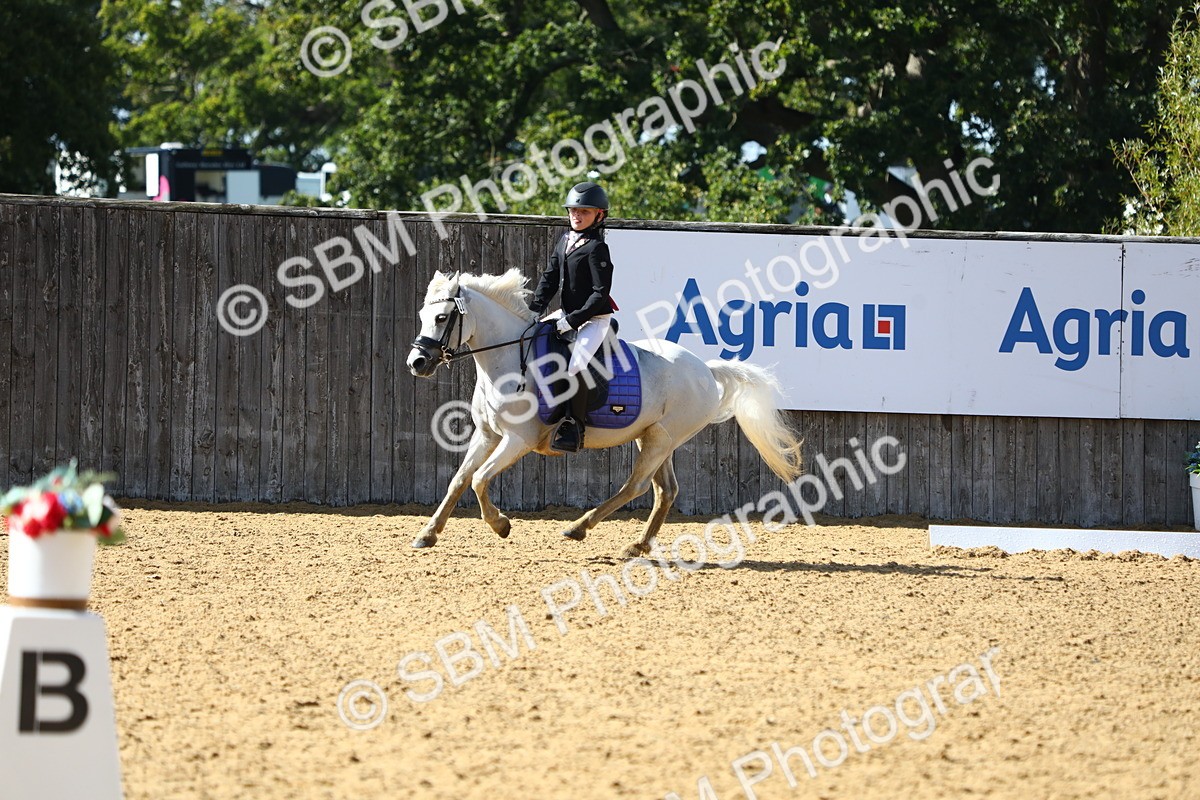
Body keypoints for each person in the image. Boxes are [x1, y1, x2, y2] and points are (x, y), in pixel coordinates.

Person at [528, 181, 618, 453]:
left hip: (593, 319)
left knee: (577, 365)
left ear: (599, 216)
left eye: (585, 212)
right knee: (529, 337)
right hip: (566, 314)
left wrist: (571, 321)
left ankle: (574, 425)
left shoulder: (596, 248)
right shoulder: (565, 241)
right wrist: (534, 308)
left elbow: (600, 295)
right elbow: (550, 277)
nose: (577, 216)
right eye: (574, 211)